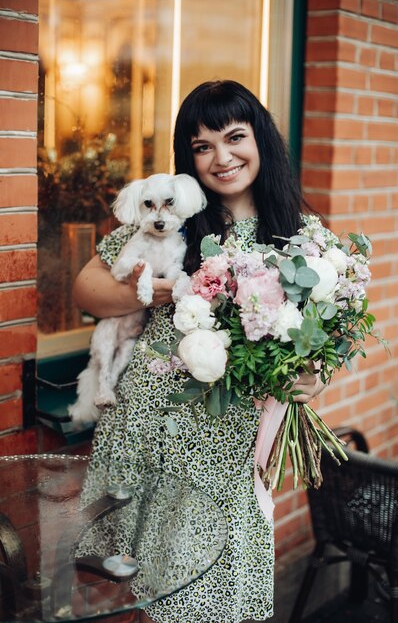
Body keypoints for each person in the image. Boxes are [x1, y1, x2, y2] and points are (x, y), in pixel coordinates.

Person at [73, 80, 324, 623]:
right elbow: (85, 290)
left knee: (205, 594)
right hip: (145, 421)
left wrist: (315, 375)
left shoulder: (300, 237)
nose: (221, 157)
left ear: (261, 139)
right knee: (139, 596)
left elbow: (320, 337)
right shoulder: (172, 218)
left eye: (235, 137)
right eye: (202, 146)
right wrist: (156, 290)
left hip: (221, 441)